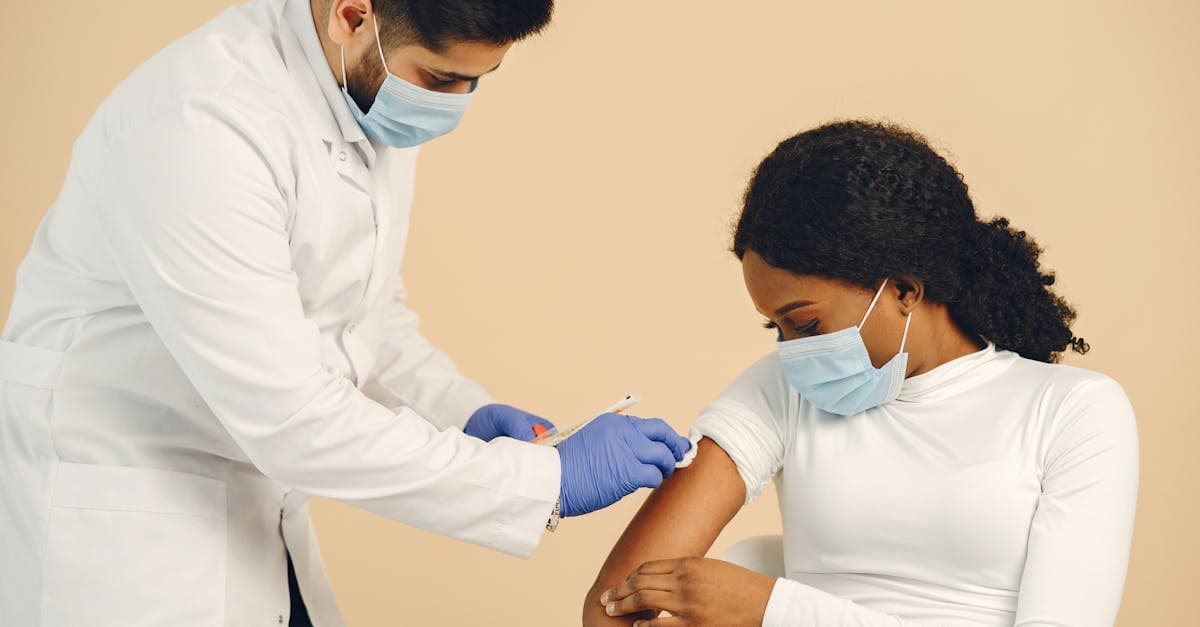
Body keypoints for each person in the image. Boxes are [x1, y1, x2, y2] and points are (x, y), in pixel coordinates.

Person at [0, 1, 691, 625]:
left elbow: (363, 314)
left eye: (477, 80)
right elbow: (292, 416)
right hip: (129, 532)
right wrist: (546, 481)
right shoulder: (203, 122)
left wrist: (462, 413)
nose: (457, 103)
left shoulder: (363, 88)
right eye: (443, 79)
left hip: (248, 507)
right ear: (353, 15)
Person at [583, 120, 1139, 627]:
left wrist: (776, 610)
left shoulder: (1073, 410)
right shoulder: (782, 389)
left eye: (804, 324)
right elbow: (609, 608)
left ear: (903, 290)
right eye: (773, 329)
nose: (791, 351)